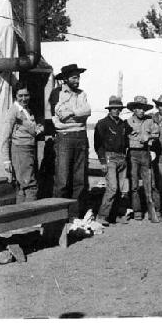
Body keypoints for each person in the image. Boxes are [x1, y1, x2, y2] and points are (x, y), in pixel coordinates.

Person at [49, 64, 91, 215]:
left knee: (79, 179)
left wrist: (72, 112)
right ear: (65, 78)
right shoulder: (56, 93)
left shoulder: (82, 93)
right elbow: (61, 116)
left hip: (81, 136)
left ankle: (75, 216)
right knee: (63, 179)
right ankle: (57, 216)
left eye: (78, 77)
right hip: (64, 138)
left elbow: (87, 110)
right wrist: (78, 114)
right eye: (74, 77)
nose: (77, 80)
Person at [2, 82, 44, 203]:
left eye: (26, 95)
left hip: (28, 150)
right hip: (20, 150)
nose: (24, 98)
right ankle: (32, 219)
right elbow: (5, 136)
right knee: (31, 186)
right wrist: (6, 160)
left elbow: (28, 130)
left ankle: (20, 218)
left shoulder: (26, 110)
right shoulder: (13, 111)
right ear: (15, 96)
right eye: (20, 95)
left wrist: (37, 129)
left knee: (22, 186)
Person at [126, 95, 162, 222]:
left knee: (151, 183)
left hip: (146, 154)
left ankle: (156, 210)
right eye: (139, 108)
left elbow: (156, 134)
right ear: (134, 110)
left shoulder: (150, 121)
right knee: (134, 185)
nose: (141, 111)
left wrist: (150, 139)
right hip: (133, 155)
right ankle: (137, 210)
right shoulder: (128, 122)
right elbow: (125, 139)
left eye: (143, 108)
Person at [93, 96, 130, 226]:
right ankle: (101, 216)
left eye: (118, 109)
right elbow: (98, 145)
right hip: (110, 158)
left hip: (121, 158)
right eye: (113, 108)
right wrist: (103, 161)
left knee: (120, 189)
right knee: (112, 188)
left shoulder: (123, 124)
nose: (116, 111)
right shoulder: (102, 123)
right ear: (109, 109)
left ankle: (115, 216)